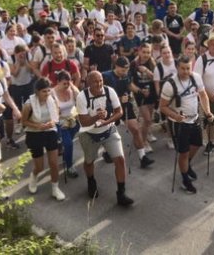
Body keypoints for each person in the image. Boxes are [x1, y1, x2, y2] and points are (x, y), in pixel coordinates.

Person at [76, 71, 134, 206]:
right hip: (89, 133)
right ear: (88, 83)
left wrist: (107, 121)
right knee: (89, 161)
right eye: (95, 81)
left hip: (109, 130)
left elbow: (119, 111)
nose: (99, 84)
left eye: (101, 80)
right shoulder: (81, 97)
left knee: (120, 159)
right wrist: (97, 117)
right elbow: (84, 122)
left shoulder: (109, 91)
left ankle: (121, 193)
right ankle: (91, 181)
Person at [160, 56, 214, 194]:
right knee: (183, 152)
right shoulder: (170, 84)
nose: (185, 71)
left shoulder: (196, 78)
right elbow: (163, 107)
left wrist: (207, 112)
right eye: (183, 68)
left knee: (197, 144)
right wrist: (175, 116)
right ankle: (185, 179)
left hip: (194, 119)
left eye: (188, 68)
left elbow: (203, 95)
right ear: (177, 67)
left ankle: (187, 165)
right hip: (178, 124)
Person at [21, 78, 66, 201]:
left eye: (48, 91)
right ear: (37, 92)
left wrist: (51, 122)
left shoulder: (52, 100)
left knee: (54, 163)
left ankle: (55, 189)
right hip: (34, 134)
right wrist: (38, 126)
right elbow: (23, 121)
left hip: (50, 132)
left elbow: (56, 116)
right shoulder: (28, 104)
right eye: (44, 92)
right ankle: (34, 176)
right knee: (40, 166)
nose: (47, 94)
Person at [104, 57, 154, 169]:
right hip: (111, 108)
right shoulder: (106, 77)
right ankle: (107, 152)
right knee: (110, 133)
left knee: (135, 129)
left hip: (126, 105)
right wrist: (118, 99)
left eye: (126, 69)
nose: (125, 72)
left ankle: (143, 158)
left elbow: (130, 85)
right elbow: (103, 95)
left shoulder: (127, 74)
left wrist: (140, 91)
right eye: (123, 70)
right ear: (116, 66)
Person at [52, 71, 81, 178]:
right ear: (58, 82)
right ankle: (70, 167)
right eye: (64, 83)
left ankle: (65, 154)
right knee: (68, 144)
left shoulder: (72, 89)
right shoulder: (52, 93)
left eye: (68, 83)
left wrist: (73, 87)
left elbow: (80, 98)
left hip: (73, 121)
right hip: (60, 123)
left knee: (68, 142)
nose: (66, 86)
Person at [130, 43, 158, 153]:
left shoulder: (151, 62)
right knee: (147, 119)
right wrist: (140, 91)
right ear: (139, 51)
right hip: (140, 94)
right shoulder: (134, 64)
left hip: (151, 93)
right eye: (144, 52)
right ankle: (143, 142)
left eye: (148, 52)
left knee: (149, 118)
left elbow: (156, 77)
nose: (146, 54)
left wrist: (146, 70)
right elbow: (129, 83)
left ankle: (147, 133)